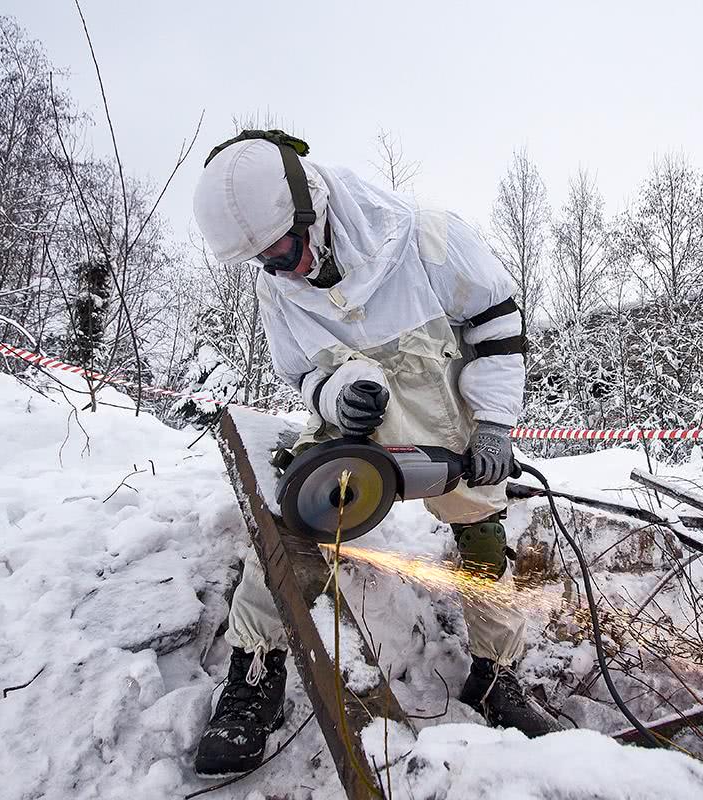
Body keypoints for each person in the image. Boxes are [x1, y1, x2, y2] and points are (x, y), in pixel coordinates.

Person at [190, 130, 553, 776]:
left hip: (451, 425)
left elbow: (497, 321)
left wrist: (495, 425)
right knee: (294, 517)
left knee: (484, 537)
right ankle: (255, 675)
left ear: (311, 210)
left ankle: (495, 676)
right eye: (266, 262)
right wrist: (332, 395)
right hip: (357, 431)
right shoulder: (278, 284)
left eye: (286, 251)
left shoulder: (424, 236)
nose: (283, 269)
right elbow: (300, 371)